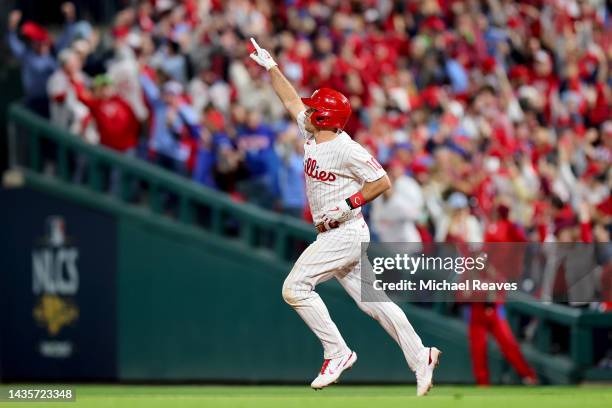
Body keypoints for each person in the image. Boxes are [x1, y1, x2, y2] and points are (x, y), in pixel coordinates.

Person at [249, 38, 440, 396]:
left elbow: (381, 181)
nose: (307, 109)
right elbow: (290, 99)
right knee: (376, 303)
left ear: (325, 116)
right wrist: (271, 66)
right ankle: (421, 356)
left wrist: (350, 202)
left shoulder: (346, 148)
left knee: (295, 287)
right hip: (334, 235)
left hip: (345, 232)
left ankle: (337, 352)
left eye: (314, 107)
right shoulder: (313, 129)